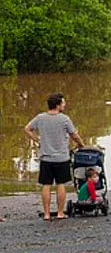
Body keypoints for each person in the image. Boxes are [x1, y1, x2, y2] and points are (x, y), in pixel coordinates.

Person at [24, 93, 85, 221]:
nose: (65, 104)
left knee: (46, 185)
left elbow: (28, 129)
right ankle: (60, 213)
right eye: (63, 103)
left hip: (46, 157)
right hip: (61, 158)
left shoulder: (40, 118)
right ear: (57, 105)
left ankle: (46, 214)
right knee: (60, 184)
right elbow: (74, 135)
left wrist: (38, 140)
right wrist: (81, 144)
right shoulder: (64, 119)